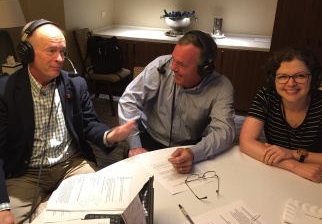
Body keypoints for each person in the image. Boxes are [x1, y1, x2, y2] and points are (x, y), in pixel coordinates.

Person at [0, 19, 135, 224]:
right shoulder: (5, 90)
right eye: (51, 51)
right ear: (27, 53)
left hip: (72, 164)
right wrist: (2, 207)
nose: (59, 58)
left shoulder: (75, 84)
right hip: (24, 172)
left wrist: (109, 135)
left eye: (63, 51)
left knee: (107, 211)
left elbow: (89, 124)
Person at [118, 30, 235, 173]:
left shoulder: (221, 86)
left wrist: (194, 153)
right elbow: (128, 100)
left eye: (182, 64)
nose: (173, 67)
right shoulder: (161, 66)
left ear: (204, 69)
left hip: (188, 148)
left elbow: (224, 132)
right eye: (174, 59)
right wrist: (135, 145)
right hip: (148, 139)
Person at [239, 46, 322, 183]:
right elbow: (246, 143)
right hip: (278, 172)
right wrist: (293, 165)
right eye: (283, 76)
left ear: (313, 78)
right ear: (274, 80)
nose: (291, 83)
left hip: (313, 175)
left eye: (300, 75)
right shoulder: (266, 96)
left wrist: (293, 154)